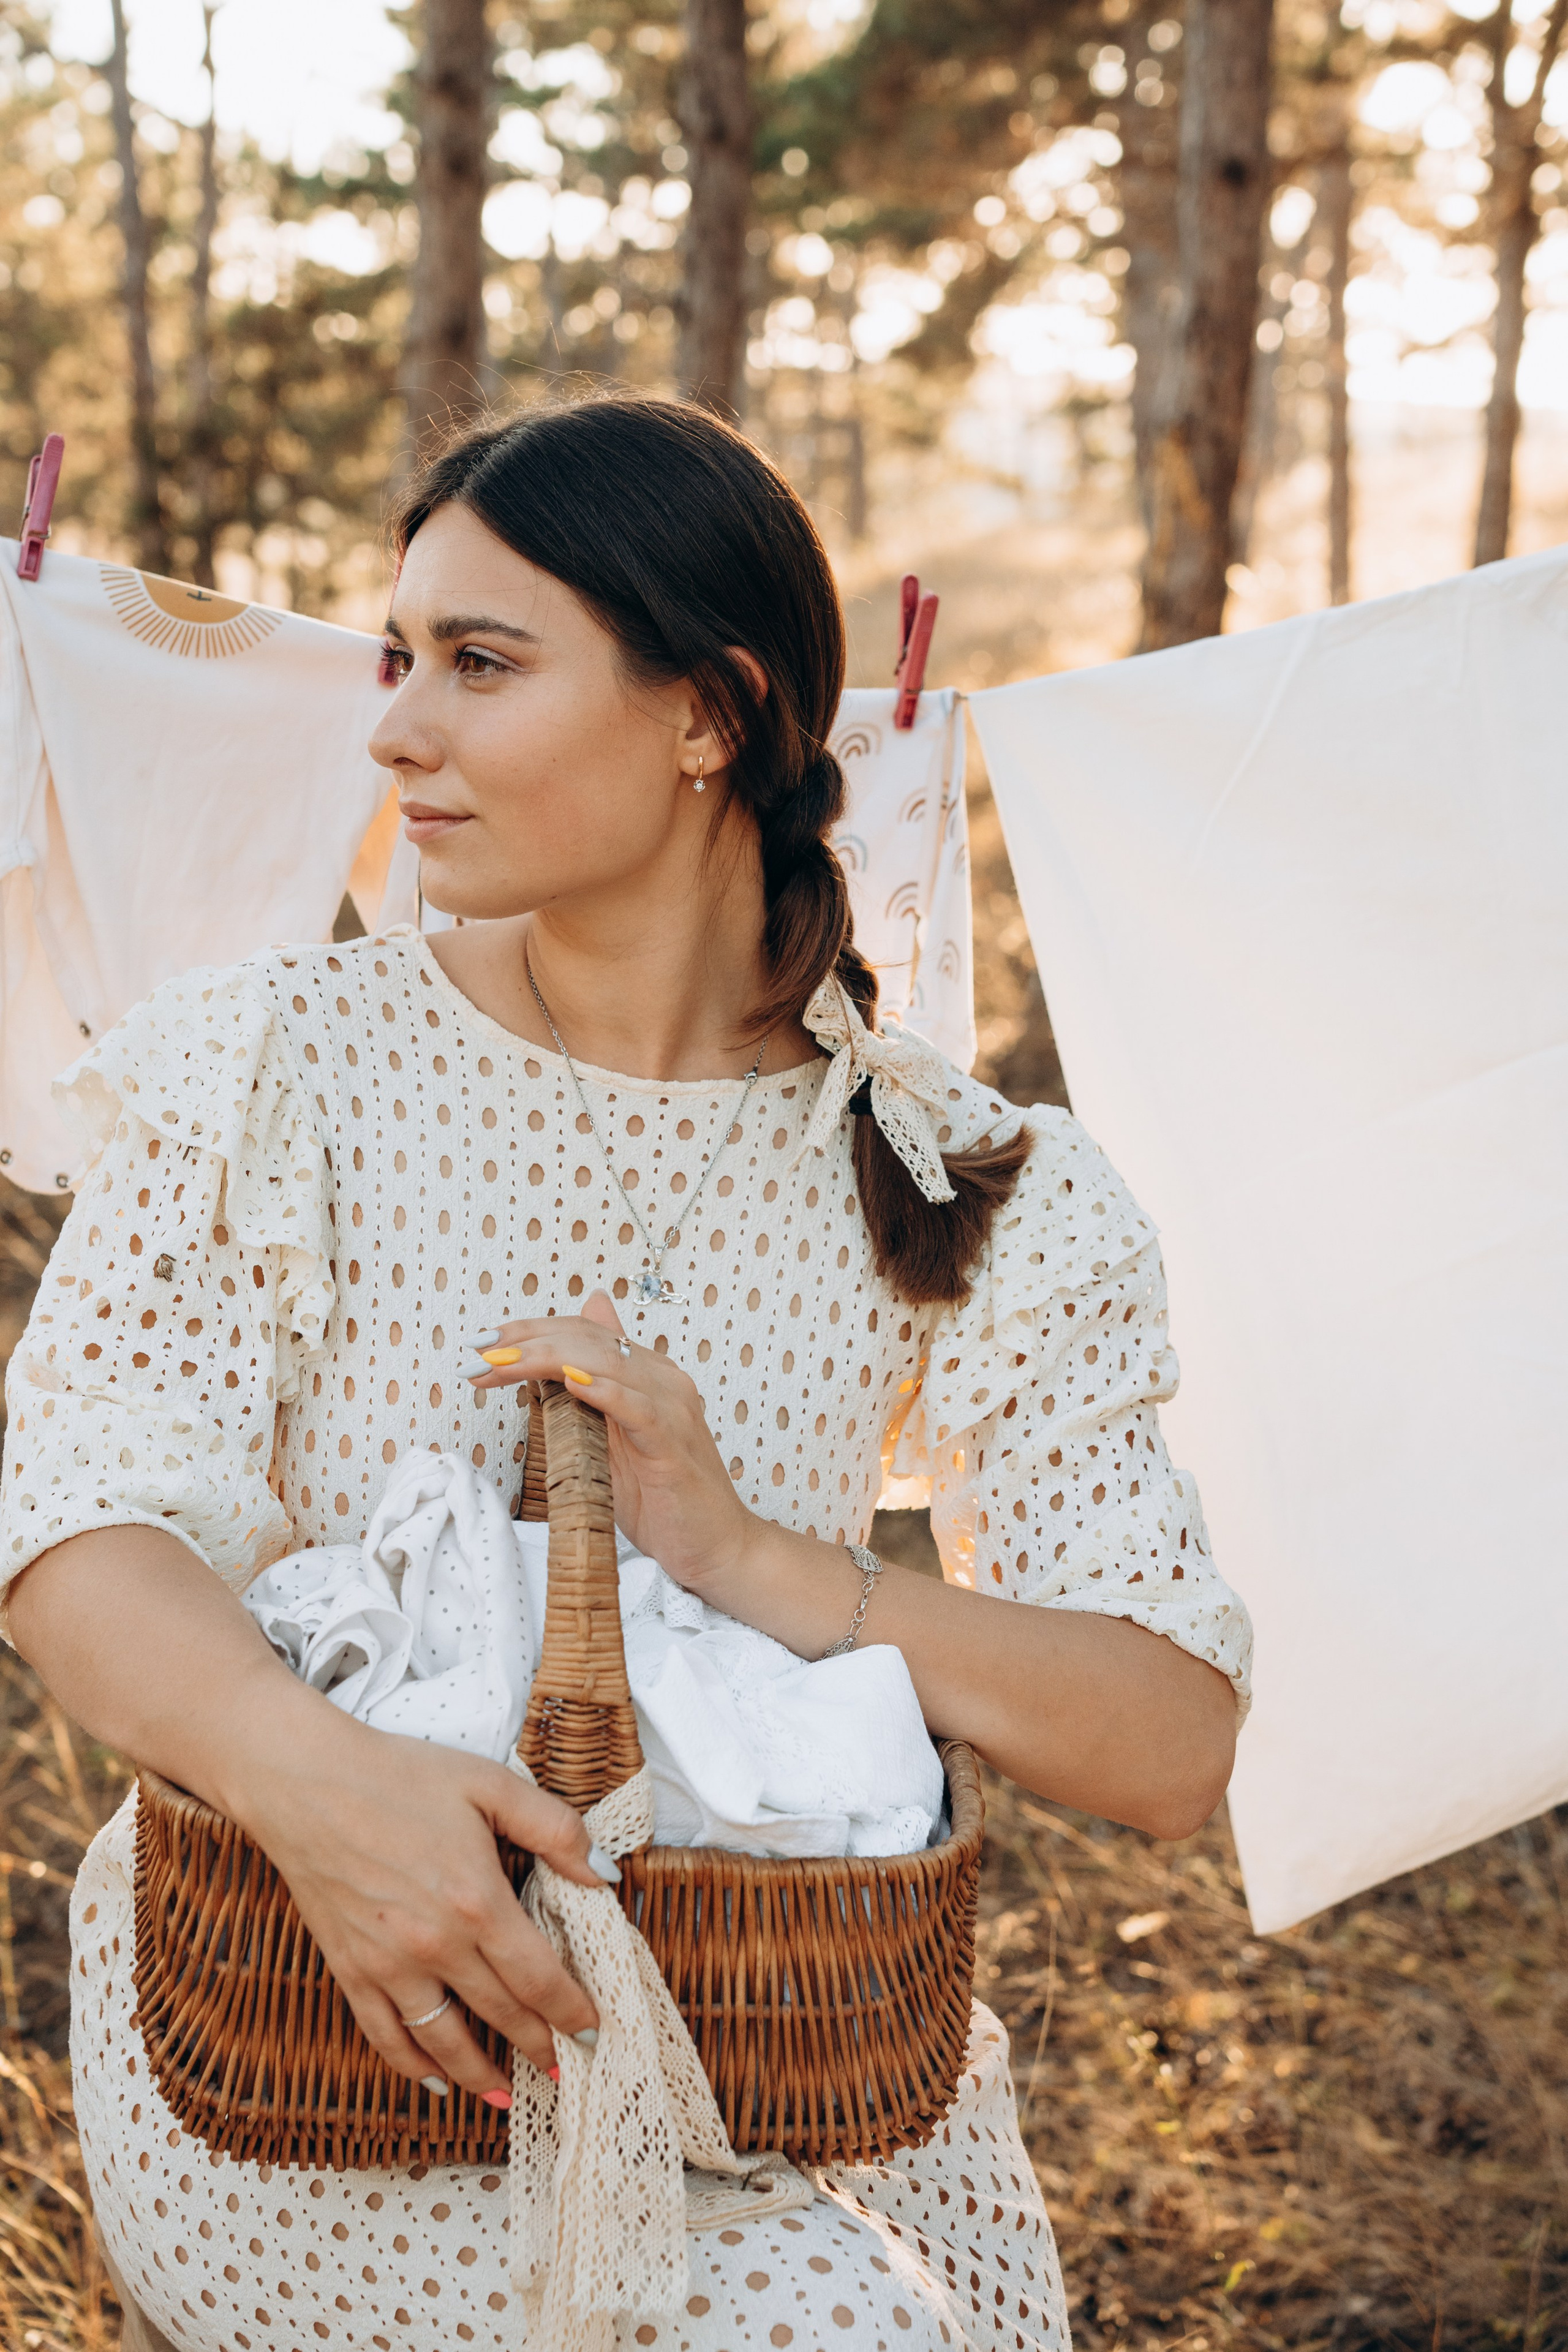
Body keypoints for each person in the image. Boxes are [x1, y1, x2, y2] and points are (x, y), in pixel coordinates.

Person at [2, 394, 1251, 2352]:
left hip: (799, 2084)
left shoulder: (968, 1176)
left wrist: (753, 1560)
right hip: (332, 2048)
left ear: (710, 715)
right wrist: (319, 1788)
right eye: (401, 656)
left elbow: (1165, 1741)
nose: (396, 728)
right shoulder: (275, 1063)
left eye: (481, 664)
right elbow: (77, 1527)